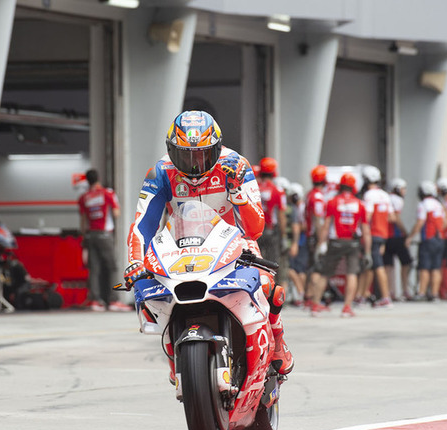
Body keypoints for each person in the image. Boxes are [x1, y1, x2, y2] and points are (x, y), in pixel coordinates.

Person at [124, 110, 293, 377]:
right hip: (181, 246)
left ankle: (277, 339)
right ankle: (174, 358)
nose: (194, 164)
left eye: (203, 154)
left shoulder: (236, 164)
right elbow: (143, 223)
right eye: (185, 155)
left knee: (266, 283)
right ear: (171, 150)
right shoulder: (160, 171)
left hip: (235, 242)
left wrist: (237, 192)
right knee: (148, 289)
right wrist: (135, 259)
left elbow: (256, 227)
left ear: (216, 148)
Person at [309, 173, 371, 318]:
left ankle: (315, 305)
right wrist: (367, 252)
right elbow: (366, 231)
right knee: (352, 273)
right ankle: (347, 307)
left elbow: (326, 226)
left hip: (335, 242)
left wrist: (321, 245)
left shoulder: (332, 202)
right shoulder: (360, 204)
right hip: (353, 243)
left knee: (325, 272)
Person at [78, 168, 131, 312]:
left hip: (90, 235)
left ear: (87, 180)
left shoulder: (84, 197)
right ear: (98, 178)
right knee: (113, 267)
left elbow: (83, 221)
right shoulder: (108, 193)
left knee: (94, 269)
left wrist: (85, 236)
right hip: (104, 235)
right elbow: (116, 213)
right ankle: (114, 300)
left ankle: (95, 301)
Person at [359, 166, 395, 308]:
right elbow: (391, 217)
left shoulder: (369, 195)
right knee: (370, 266)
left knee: (376, 265)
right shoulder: (385, 195)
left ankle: (385, 297)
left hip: (372, 234)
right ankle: (363, 295)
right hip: (383, 234)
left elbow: (367, 216)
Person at [406, 181, 445, 301]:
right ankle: (434, 294)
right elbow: (443, 221)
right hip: (440, 239)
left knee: (424, 267)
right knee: (436, 268)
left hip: (428, 239)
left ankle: (421, 292)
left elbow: (420, 222)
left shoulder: (423, 204)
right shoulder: (439, 204)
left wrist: (410, 237)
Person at [382, 178, 414, 301]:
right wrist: (405, 232)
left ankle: (390, 291)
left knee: (388, 266)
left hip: (386, 236)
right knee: (406, 263)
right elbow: (395, 218)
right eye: (403, 188)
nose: (404, 191)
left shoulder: (386, 198)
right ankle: (405, 290)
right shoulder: (397, 200)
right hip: (396, 236)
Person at [303, 165, 329, 308]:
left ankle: (308, 297)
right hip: (315, 235)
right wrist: (321, 240)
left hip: (310, 235)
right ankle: (314, 300)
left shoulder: (310, 194)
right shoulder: (318, 197)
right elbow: (318, 220)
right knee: (317, 267)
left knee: (311, 266)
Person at [255, 157, 285, 265]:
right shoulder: (278, 190)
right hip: (271, 231)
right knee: (272, 263)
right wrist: (284, 235)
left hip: (256, 231)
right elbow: (281, 215)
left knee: (257, 261)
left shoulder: (254, 187)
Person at [286, 182, 307, 305]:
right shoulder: (298, 207)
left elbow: (301, 226)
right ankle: (300, 294)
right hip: (299, 241)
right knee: (298, 269)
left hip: (300, 241)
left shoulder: (299, 208)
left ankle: (300, 292)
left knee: (293, 269)